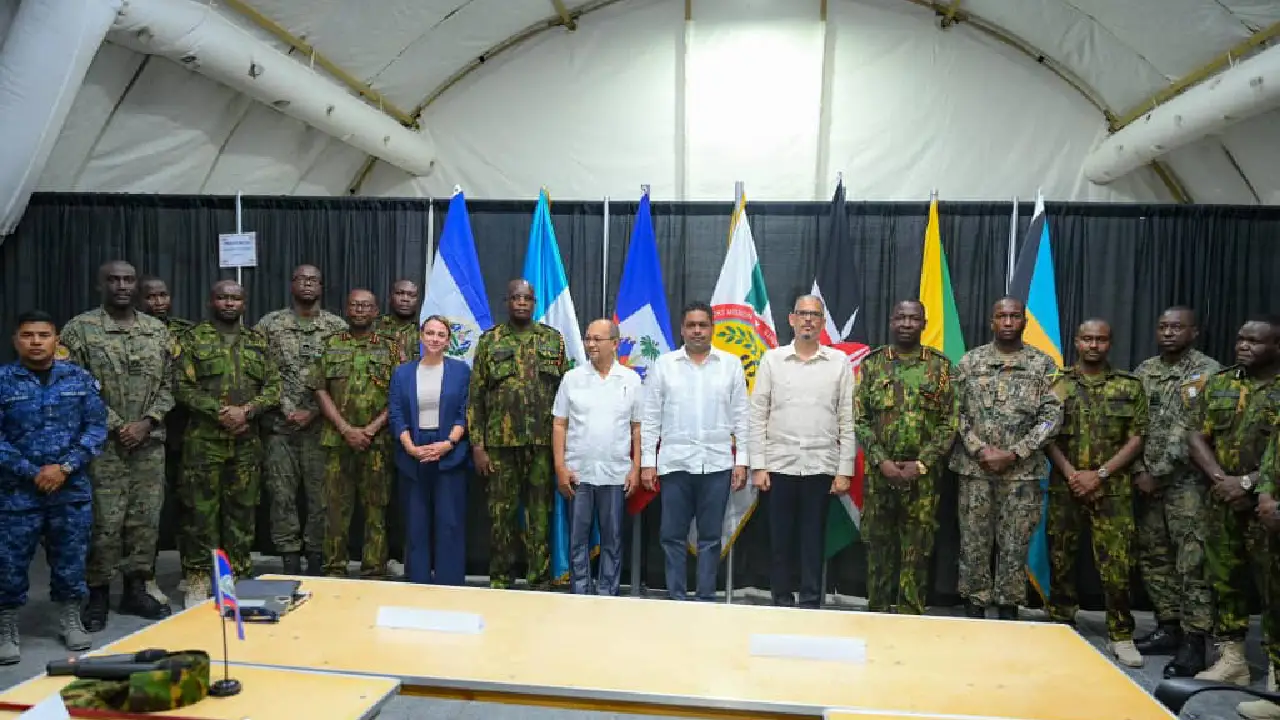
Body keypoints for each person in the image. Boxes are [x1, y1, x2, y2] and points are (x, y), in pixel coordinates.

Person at [60, 261, 174, 630]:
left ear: (137, 284)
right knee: (103, 521)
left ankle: (136, 587)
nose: (121, 285)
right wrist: (116, 425)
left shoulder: (156, 331)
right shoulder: (79, 329)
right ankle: (97, 593)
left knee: (145, 518)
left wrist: (146, 422)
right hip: (102, 445)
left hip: (148, 443)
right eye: (113, 279)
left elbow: (172, 386)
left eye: (128, 279)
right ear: (101, 284)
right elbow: (71, 384)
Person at [0, 310, 107, 663]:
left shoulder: (79, 379)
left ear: (56, 340)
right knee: (9, 562)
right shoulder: (3, 381)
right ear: (16, 340)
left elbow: (95, 428)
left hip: (69, 489)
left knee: (71, 558)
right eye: (28, 335)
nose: (35, 341)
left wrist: (64, 468)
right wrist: (32, 472)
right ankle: (6, 626)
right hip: (16, 491)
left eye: (43, 335)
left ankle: (70, 618)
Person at [950, 297, 1062, 620]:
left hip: (1022, 473)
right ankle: (974, 602)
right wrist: (979, 449)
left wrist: (1016, 452)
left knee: (1015, 544)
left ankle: (1009, 605)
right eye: (1002, 316)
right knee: (973, 540)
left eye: (1015, 316)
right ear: (992, 321)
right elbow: (953, 412)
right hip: (975, 469)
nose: (1009, 322)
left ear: (1024, 322)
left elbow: (1053, 416)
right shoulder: (969, 363)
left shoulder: (1045, 365)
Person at [1044, 319, 1147, 667]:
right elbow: (1046, 434)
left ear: (1110, 344)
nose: (1093, 345)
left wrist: (1099, 475)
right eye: (1087, 339)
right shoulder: (1056, 384)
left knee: (1117, 567)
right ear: (1076, 342)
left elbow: (1137, 438)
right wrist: (1073, 474)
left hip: (1112, 489)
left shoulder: (1129, 386)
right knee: (1061, 560)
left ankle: (1121, 634)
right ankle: (1060, 625)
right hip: (1066, 486)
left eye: (1100, 340)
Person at [1189, 316, 1280, 697]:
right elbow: (1195, 434)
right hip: (1222, 500)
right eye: (1240, 339)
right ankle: (1233, 661)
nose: (1243, 346)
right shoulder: (1221, 382)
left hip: (1269, 505)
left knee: (1274, 587)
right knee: (1224, 580)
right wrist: (1220, 480)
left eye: (1254, 342)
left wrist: (1249, 483)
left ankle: (1277, 666)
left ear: (1276, 347)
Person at [176, 280, 281, 606]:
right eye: (222, 297)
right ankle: (197, 577)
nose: (229, 303)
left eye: (235, 298)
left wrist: (247, 411)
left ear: (244, 303)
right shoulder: (193, 339)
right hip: (204, 441)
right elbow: (180, 386)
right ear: (212, 302)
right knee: (200, 514)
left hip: (246, 441)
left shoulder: (258, 342)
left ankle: (236, 575)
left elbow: (274, 387)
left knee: (242, 512)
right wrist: (219, 412)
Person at [750, 296, 855, 608]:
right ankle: (780, 599)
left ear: (823, 322)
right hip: (778, 466)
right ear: (791, 319)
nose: (808, 320)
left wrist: (844, 470)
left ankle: (811, 601)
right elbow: (758, 415)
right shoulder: (772, 360)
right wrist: (759, 465)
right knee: (779, 541)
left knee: (813, 541)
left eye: (815, 315)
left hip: (821, 467)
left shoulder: (839, 363)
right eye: (802, 314)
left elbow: (847, 418)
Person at [854, 300, 958, 615]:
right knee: (878, 549)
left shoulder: (940, 367)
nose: (907, 323)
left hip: (923, 479)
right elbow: (860, 418)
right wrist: (882, 461)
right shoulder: (872, 365)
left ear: (924, 323)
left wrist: (923, 462)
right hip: (879, 475)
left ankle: (911, 618)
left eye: (914, 318)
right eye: (900, 317)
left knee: (918, 549)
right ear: (890, 321)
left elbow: (950, 421)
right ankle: (877, 613)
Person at [641, 301, 749, 602]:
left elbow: (742, 417)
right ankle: (677, 598)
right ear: (682, 329)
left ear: (712, 328)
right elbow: (650, 418)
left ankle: (704, 599)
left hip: (716, 465)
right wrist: (647, 463)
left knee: (711, 538)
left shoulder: (730, 365)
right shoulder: (664, 365)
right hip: (675, 464)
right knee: (672, 536)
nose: (697, 330)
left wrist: (742, 461)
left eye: (703, 325)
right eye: (691, 325)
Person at [1132, 306, 1219, 677]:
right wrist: (1138, 471)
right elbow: (1132, 427)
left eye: (1177, 327)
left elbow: (1194, 429)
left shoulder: (1208, 373)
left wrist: (1158, 472)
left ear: (1194, 332)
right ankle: (1168, 626)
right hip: (1144, 481)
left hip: (1188, 485)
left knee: (1192, 563)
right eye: (1163, 326)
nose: (1169, 333)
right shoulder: (1144, 372)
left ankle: (1194, 642)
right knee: (1155, 557)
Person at [468, 279, 568, 590]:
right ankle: (500, 579)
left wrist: (561, 452)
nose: (521, 303)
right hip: (500, 446)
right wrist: (477, 445)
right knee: (501, 518)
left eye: (526, 298)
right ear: (507, 302)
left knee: (540, 516)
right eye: (515, 298)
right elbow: (475, 397)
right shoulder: (490, 341)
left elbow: (566, 396)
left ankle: (538, 581)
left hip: (541, 445)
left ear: (534, 302)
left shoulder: (553, 340)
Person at [256, 264, 347, 576]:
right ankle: (289, 558)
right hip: (279, 428)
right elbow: (258, 373)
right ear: (292, 284)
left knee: (320, 498)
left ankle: (316, 558)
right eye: (302, 279)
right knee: (281, 497)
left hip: (321, 429)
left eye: (314, 280)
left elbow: (343, 380)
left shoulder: (337, 328)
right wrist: (283, 407)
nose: (307, 285)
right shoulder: (269, 324)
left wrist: (314, 412)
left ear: (321, 287)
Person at [314, 290, 403, 578]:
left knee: (377, 511)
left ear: (376, 311)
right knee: (335, 511)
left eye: (366, 306)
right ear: (346, 309)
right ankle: (334, 570)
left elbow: (400, 395)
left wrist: (371, 429)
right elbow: (319, 389)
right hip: (337, 441)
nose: (360, 310)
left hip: (378, 443)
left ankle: (374, 571)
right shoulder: (330, 345)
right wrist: (345, 428)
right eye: (354, 305)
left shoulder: (391, 349)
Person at [552, 318, 641, 596]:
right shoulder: (573, 378)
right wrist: (559, 467)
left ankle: (607, 594)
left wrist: (636, 468)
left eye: (597, 339)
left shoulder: (631, 380)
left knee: (613, 538)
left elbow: (638, 428)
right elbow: (559, 424)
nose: (590, 344)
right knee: (578, 538)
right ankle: (580, 593)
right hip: (578, 472)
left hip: (615, 473)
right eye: (587, 338)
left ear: (614, 344)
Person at [388, 315, 471, 586]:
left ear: (448, 341)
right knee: (416, 524)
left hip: (449, 452)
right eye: (430, 333)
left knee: (449, 525)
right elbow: (397, 413)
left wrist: (448, 443)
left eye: (441, 335)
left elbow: (465, 412)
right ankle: (418, 584)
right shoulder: (403, 373)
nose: (435, 339)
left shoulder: (461, 371)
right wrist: (410, 446)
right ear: (421, 336)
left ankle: (450, 587)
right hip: (413, 452)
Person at [137, 275, 191, 605]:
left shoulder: (188, 332)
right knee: (147, 512)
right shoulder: (134, 332)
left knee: (189, 506)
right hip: (145, 433)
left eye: (163, 295)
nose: (158, 302)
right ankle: (145, 576)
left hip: (185, 431)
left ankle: (191, 572)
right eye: (151, 296)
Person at [374, 279, 423, 363]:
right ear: (390, 297)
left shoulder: (426, 329)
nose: (405, 299)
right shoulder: (373, 327)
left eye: (411, 295)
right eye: (399, 293)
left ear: (418, 300)